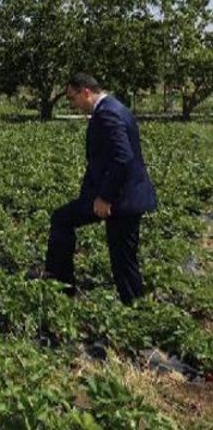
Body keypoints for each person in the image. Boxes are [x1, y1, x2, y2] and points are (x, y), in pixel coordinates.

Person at [45, 73, 157, 305]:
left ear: (85, 91)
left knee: (123, 261)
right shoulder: (114, 108)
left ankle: (138, 312)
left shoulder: (107, 114)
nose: (72, 105)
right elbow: (103, 160)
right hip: (117, 194)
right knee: (63, 219)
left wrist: (105, 198)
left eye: (72, 98)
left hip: (120, 199)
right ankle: (60, 283)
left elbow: (122, 158)